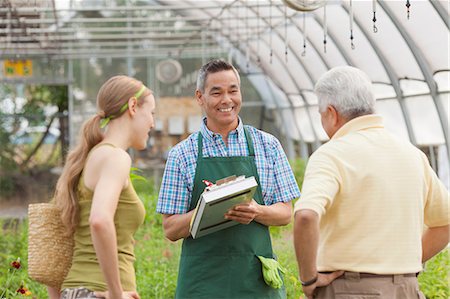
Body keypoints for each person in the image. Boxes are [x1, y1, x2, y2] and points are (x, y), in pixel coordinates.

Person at [293, 66, 450, 299]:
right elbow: (445, 221)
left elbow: (306, 216)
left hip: (349, 289)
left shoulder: (332, 154)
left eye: (320, 113)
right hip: (406, 290)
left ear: (332, 113)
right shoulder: (411, 154)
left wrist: (308, 278)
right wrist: (404, 264)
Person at [157, 59, 300, 298]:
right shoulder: (182, 155)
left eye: (233, 91)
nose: (227, 100)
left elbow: (286, 213)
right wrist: (207, 208)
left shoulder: (267, 146)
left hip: (255, 280)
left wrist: (256, 211)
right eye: (217, 92)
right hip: (202, 284)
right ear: (200, 97)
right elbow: (170, 229)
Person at [48, 75, 156, 299]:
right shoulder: (116, 157)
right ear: (133, 106)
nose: (152, 123)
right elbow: (99, 220)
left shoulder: (88, 159)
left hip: (76, 291)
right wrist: (116, 294)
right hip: (98, 292)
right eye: (152, 113)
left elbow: (57, 235)